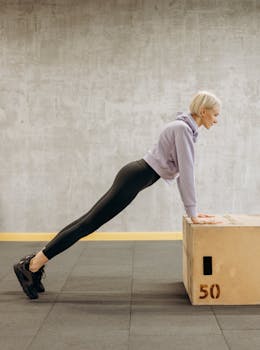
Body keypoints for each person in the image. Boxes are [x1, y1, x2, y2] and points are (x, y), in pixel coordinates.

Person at [13, 90, 224, 299]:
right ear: (203, 111)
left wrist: (193, 211)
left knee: (86, 222)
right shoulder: (183, 129)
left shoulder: (184, 128)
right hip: (134, 178)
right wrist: (193, 212)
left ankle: (33, 263)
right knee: (87, 224)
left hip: (134, 176)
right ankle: (31, 265)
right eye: (215, 115)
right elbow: (186, 172)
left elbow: (182, 173)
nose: (216, 121)